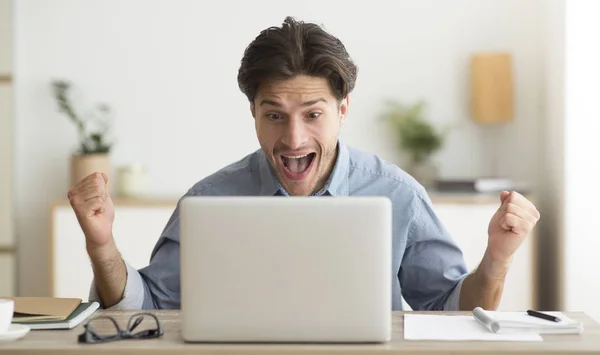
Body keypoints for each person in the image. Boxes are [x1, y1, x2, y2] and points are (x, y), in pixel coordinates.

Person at [67, 16, 540, 311]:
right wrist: (102, 245)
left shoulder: (398, 194)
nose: (293, 139)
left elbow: (450, 312)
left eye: (312, 114)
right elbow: (144, 309)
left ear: (343, 110)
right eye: (274, 115)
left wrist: (497, 259)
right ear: (252, 112)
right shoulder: (210, 200)